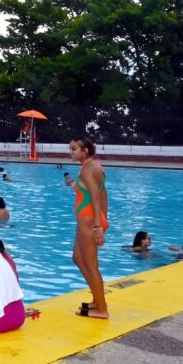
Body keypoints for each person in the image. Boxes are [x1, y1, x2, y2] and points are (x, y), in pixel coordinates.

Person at [70, 136, 109, 319]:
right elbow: (104, 194)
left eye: (74, 149)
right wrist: (104, 219)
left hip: (88, 221)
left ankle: (102, 309)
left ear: (85, 151)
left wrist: (98, 227)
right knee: (78, 258)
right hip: (88, 220)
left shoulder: (88, 171)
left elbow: (95, 197)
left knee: (92, 266)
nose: (71, 152)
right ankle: (97, 300)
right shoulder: (94, 166)